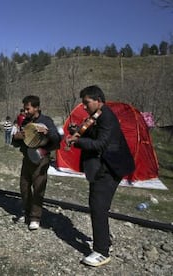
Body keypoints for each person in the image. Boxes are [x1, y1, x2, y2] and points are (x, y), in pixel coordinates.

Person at [66, 85, 135, 267]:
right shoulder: (97, 116)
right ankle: (105, 242)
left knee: (98, 207)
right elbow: (94, 133)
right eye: (83, 103)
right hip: (103, 166)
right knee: (98, 206)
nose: (84, 107)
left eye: (87, 103)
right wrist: (78, 130)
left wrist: (77, 141)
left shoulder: (107, 117)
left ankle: (102, 252)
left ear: (98, 100)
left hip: (110, 168)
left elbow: (101, 143)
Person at [12, 95, 61, 231]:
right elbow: (15, 142)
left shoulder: (46, 121)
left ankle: (35, 217)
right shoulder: (24, 122)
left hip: (41, 159)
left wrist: (47, 132)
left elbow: (57, 139)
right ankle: (27, 213)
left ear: (36, 107)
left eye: (28, 109)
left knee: (38, 188)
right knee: (24, 187)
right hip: (27, 158)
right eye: (24, 109)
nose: (25, 111)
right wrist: (17, 137)